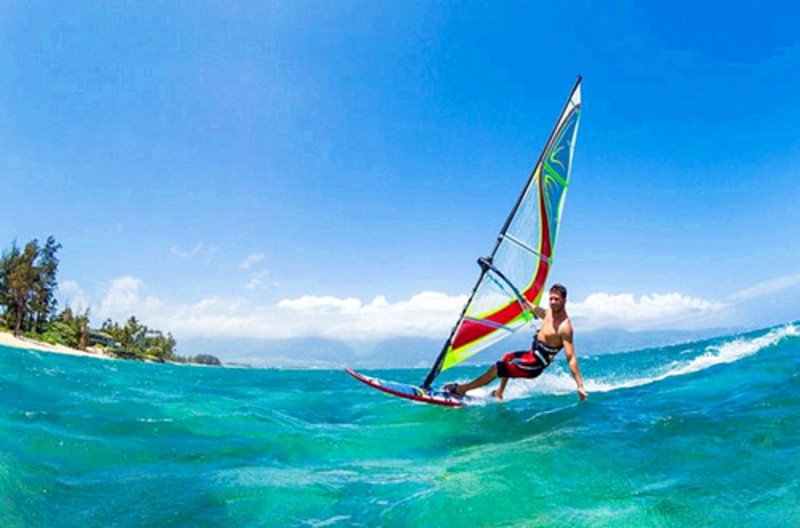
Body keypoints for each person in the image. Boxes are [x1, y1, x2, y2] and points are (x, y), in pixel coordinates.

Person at [444, 284, 588, 401]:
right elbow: (540, 312)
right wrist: (526, 303)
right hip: (531, 354)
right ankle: (499, 393)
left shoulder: (565, 327)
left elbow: (571, 358)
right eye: (550, 299)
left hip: (535, 365)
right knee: (506, 357)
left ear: (564, 300)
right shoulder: (549, 312)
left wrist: (579, 385)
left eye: (556, 299)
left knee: (497, 368)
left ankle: (462, 390)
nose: (552, 302)